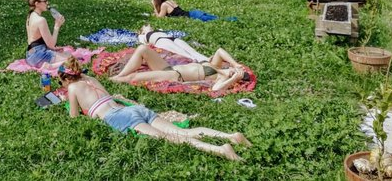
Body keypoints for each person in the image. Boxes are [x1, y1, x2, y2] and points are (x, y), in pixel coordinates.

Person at [58, 56, 250, 161]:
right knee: (183, 131)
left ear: (67, 79)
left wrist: (65, 98)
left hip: (121, 117)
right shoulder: (91, 79)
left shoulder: (73, 88)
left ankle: (220, 150)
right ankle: (229, 136)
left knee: (172, 139)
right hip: (136, 110)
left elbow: (74, 117)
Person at [109, 44, 245, 92]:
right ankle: (119, 75)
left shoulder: (221, 77)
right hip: (169, 68)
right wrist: (235, 64)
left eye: (239, 74)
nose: (235, 72)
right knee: (142, 49)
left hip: (174, 76)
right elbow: (220, 51)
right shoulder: (217, 65)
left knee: (133, 78)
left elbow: (216, 89)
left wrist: (233, 79)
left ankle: (110, 81)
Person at [23, 0, 69, 67]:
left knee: (67, 54)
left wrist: (53, 49)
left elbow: (33, 41)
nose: (47, 3)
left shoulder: (30, 16)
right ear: (37, 4)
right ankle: (50, 66)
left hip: (30, 55)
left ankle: (52, 64)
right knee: (71, 59)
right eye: (44, 1)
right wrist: (57, 26)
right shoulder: (41, 20)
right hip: (39, 56)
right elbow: (51, 44)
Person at [137, 24, 209, 63]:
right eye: (145, 26)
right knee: (182, 53)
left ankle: (208, 60)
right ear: (142, 31)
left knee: (193, 52)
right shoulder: (142, 36)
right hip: (161, 40)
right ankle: (201, 64)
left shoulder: (159, 30)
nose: (149, 25)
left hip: (173, 39)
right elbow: (143, 44)